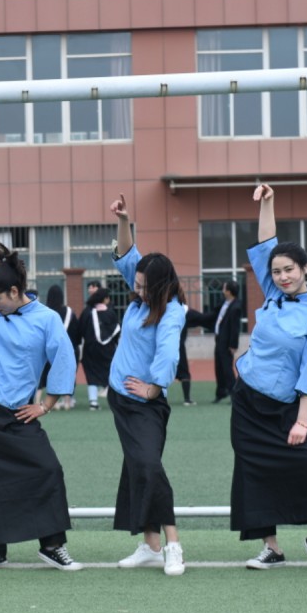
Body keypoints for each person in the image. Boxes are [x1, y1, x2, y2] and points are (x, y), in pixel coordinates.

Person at [0, 194, 82, 572]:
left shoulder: (47, 319)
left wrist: (46, 405)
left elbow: (64, 360)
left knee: (47, 470)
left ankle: (52, 546)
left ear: (14, 291)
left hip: (19, 413)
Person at [233, 184, 307, 574]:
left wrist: (302, 422)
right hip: (248, 401)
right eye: (276, 271)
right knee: (252, 470)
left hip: (289, 406)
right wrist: (269, 203)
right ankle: (271, 548)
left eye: (289, 269)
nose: (281, 277)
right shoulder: (272, 293)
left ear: (305, 268)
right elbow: (266, 242)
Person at [107, 193, 187, 576]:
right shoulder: (143, 297)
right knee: (138, 467)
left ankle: (173, 545)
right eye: (136, 284)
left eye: (143, 286)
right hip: (121, 399)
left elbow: (168, 356)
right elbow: (127, 255)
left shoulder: (171, 312)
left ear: (160, 286)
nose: (136, 290)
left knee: (149, 467)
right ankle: (151, 545)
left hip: (145, 404)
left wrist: (155, 388)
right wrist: (124, 220)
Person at [38, 284, 80, 411]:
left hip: (49, 350)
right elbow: (76, 331)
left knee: (50, 374)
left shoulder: (44, 312)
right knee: (67, 374)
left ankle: (52, 403)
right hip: (68, 349)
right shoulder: (69, 312)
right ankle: (67, 401)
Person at [79, 287, 120, 411]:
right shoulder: (110, 313)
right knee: (110, 373)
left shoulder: (87, 313)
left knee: (91, 375)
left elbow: (81, 330)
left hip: (90, 350)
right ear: (105, 299)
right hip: (108, 350)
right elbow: (117, 331)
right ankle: (115, 402)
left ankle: (93, 402)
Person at [210, 280, 242, 404]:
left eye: (224, 288)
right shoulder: (224, 302)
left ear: (229, 291)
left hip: (227, 342)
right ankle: (221, 392)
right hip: (219, 339)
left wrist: (233, 345)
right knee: (218, 367)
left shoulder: (236, 307)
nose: (222, 291)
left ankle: (235, 395)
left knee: (227, 369)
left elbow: (235, 328)